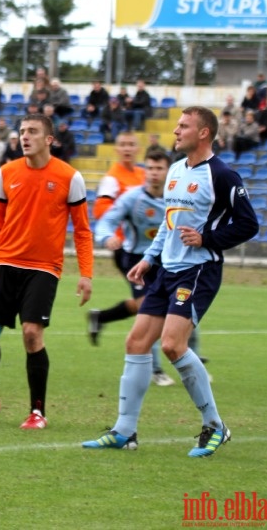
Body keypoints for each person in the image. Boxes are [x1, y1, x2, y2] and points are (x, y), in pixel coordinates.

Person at [82, 106, 259, 457]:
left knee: (173, 345)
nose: (175, 131)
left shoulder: (222, 175)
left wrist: (208, 239)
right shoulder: (176, 170)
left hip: (198, 271)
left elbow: (248, 223)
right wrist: (149, 259)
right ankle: (124, 431)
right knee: (136, 342)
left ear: (203, 133)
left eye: (183, 126)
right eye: (176, 125)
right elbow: (169, 222)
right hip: (167, 269)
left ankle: (215, 426)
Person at [0, 113, 92, 428]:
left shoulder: (70, 177)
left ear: (49, 139)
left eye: (32, 131)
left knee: (32, 334)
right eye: (22, 131)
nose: (25, 136)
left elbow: (83, 231)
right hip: (5, 263)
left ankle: (37, 412)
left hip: (44, 269)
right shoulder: (7, 173)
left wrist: (86, 273)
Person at [88, 148, 190, 387]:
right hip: (136, 261)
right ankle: (155, 369)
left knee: (180, 308)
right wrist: (107, 238)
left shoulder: (176, 198)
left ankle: (194, 361)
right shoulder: (132, 198)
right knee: (151, 311)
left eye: (159, 168)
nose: (154, 173)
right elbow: (105, 223)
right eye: (150, 168)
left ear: (169, 171)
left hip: (168, 261)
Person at [92, 132, 145, 279]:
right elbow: (100, 210)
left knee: (150, 298)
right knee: (148, 298)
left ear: (138, 149)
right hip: (125, 245)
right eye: (123, 145)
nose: (127, 149)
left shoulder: (143, 174)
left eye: (131, 145)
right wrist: (113, 234)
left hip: (145, 244)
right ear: (116, 150)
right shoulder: (112, 178)